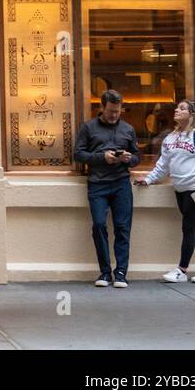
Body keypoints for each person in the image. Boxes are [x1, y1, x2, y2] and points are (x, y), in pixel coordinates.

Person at [134, 99, 195, 283]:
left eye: (182, 108)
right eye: (177, 107)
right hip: (179, 189)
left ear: (192, 114)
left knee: (188, 227)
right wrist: (148, 179)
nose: (177, 110)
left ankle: (181, 270)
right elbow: (163, 165)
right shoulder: (170, 137)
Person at [73, 89, 141, 288]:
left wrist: (129, 159)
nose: (114, 115)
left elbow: (137, 158)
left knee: (122, 228)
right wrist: (101, 157)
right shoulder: (88, 128)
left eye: (118, 112)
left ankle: (121, 272)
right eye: (111, 111)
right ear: (101, 108)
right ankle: (104, 272)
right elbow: (78, 154)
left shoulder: (128, 129)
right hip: (97, 184)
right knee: (99, 225)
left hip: (121, 183)